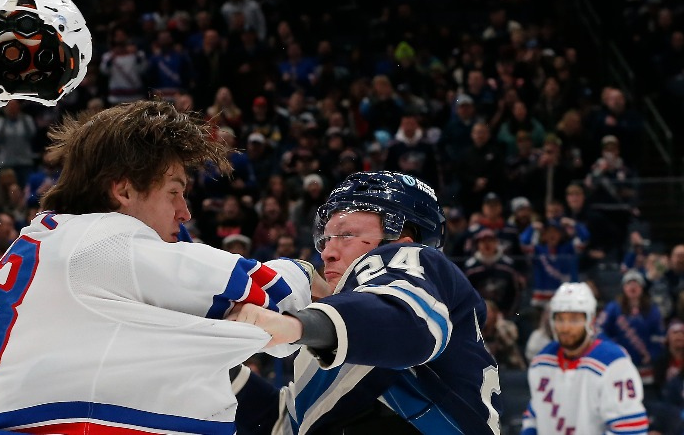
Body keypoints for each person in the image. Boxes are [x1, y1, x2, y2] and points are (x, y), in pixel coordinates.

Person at [0, 100, 311, 433]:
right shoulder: (106, 240)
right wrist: (309, 273)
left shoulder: (54, 238)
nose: (184, 211)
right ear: (123, 190)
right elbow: (278, 295)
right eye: (173, 192)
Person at [231, 171, 501, 434]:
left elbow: (407, 325)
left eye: (346, 234)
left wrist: (297, 324)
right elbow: (282, 426)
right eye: (325, 239)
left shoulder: (416, 263)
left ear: (404, 240)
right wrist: (210, 360)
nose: (327, 253)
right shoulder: (344, 332)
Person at [523, 283, 648, 434]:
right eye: (560, 319)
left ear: (591, 321)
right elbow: (534, 415)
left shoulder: (614, 363)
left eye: (574, 320)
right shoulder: (541, 362)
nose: (565, 327)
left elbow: (630, 429)